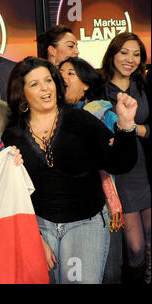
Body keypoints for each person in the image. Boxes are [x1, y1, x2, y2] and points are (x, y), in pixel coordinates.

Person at [2, 56, 138, 284]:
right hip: (38, 227)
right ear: (22, 93)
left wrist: (125, 126)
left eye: (48, 80)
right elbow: (12, 196)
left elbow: (119, 163)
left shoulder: (80, 120)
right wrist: (34, 237)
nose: (45, 88)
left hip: (85, 225)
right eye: (34, 84)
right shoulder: (11, 136)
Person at [59, 56, 123, 283]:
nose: (63, 77)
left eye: (70, 73)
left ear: (86, 83)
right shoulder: (51, 116)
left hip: (100, 203)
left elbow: (115, 156)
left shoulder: (105, 114)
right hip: (64, 208)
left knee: (109, 272)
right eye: (60, 72)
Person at [100, 32, 151, 284]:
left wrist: (134, 129)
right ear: (112, 54)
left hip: (146, 171)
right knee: (135, 246)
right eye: (124, 52)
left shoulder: (144, 85)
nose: (130, 59)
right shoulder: (98, 87)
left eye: (136, 54)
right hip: (119, 175)